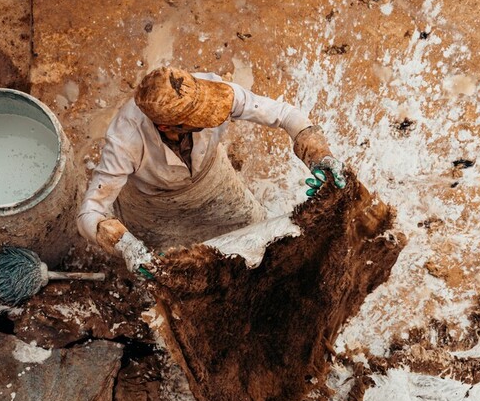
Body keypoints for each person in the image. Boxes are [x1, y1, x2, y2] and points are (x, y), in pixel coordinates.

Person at [77, 66, 345, 273]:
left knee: (255, 233)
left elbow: (284, 114)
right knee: (168, 265)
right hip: (154, 205)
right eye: (198, 121)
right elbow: (90, 212)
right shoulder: (125, 140)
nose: (211, 118)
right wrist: (125, 245)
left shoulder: (212, 90)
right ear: (166, 127)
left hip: (212, 182)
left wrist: (318, 154)